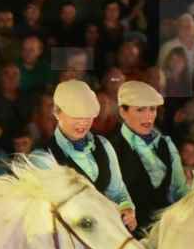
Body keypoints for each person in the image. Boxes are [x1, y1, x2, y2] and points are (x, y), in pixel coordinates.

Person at [41, 78, 137, 231]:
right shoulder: (43, 157)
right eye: (75, 115)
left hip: (105, 234)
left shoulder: (104, 145)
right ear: (56, 112)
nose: (83, 122)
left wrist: (126, 208)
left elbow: (118, 192)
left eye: (87, 116)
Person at [103, 80, 187, 235]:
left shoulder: (166, 144)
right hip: (127, 238)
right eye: (140, 110)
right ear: (123, 112)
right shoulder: (109, 148)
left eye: (153, 109)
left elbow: (180, 192)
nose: (148, 116)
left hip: (166, 234)